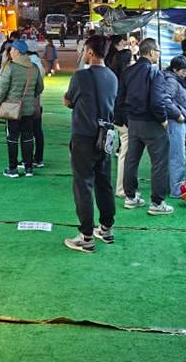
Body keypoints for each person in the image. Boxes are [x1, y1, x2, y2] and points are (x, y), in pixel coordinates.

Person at [62, 35, 119, 252]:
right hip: (106, 137)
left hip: (84, 136)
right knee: (104, 183)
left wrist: (71, 101)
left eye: (85, 50)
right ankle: (106, 228)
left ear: (91, 52)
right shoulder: (112, 77)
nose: (83, 54)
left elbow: (69, 100)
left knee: (83, 184)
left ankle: (86, 236)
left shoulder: (81, 76)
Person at [117, 38, 174, 215]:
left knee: (131, 160)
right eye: (158, 51)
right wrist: (163, 119)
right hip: (152, 123)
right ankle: (157, 202)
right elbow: (157, 101)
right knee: (159, 163)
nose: (159, 54)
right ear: (150, 52)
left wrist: (126, 119)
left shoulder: (128, 71)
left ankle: (130, 197)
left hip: (133, 122)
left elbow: (120, 99)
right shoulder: (155, 72)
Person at [0, 40, 44, 177]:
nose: (10, 52)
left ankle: (13, 169)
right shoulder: (34, 67)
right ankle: (29, 168)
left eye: (11, 49)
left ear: (16, 51)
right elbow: (40, 87)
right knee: (28, 138)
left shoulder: (10, 68)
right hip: (28, 110)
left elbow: (2, 90)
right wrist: (30, 97)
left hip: (12, 110)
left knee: (12, 138)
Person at [106, 34, 135, 197]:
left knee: (123, 152)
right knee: (126, 153)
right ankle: (122, 188)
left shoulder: (112, 73)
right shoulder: (126, 77)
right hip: (123, 119)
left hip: (115, 116)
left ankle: (123, 187)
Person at [163, 55, 186, 198]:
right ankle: (177, 190)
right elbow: (165, 100)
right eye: (184, 71)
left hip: (173, 122)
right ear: (175, 69)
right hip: (175, 123)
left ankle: (171, 186)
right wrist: (178, 114)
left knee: (172, 156)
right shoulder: (172, 81)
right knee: (178, 157)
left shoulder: (171, 78)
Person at [26, 45, 47, 168]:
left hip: (32, 103)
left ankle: (30, 159)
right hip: (38, 103)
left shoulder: (32, 65)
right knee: (37, 132)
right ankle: (38, 158)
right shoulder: (38, 64)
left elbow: (36, 87)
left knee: (29, 132)